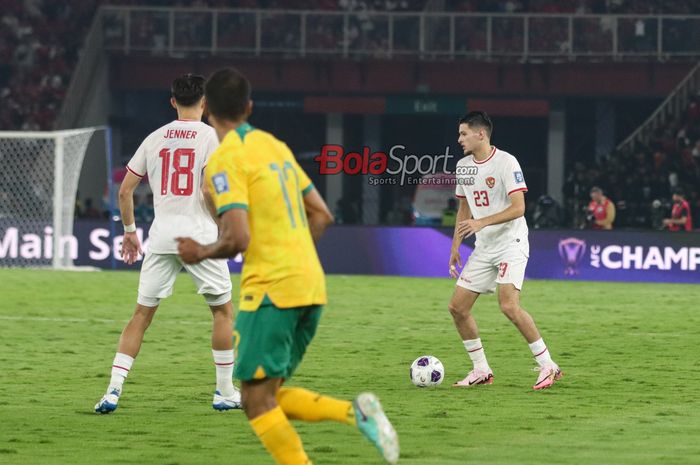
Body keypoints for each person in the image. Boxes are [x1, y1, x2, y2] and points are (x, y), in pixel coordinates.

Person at [176, 68, 399, 465]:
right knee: (264, 395)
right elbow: (322, 214)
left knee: (256, 402)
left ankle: (353, 415)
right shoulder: (274, 145)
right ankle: (356, 414)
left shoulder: (225, 159)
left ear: (208, 109)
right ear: (249, 107)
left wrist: (200, 251)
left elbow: (237, 238)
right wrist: (294, 254)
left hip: (271, 292)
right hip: (310, 284)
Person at [95, 74, 241, 414]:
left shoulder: (155, 138)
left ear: (172, 101)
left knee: (141, 316)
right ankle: (224, 392)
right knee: (222, 311)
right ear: (205, 103)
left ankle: (113, 390)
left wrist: (130, 231)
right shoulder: (212, 138)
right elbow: (207, 190)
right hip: (200, 237)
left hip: (161, 237)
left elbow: (124, 190)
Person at [448, 111, 562, 390]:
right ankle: (481, 370)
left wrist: (481, 221)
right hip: (483, 246)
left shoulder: (506, 162)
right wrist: (455, 247)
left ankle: (548, 365)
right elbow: (464, 207)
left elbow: (519, 208)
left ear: (480, 134)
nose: (459, 138)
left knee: (508, 305)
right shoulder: (463, 167)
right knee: (457, 308)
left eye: (463, 133)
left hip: (511, 242)